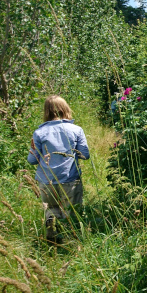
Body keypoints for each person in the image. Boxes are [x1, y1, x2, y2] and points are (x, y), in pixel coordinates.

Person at [27, 95, 90, 243]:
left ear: (46, 111)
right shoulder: (76, 130)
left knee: (51, 208)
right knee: (72, 212)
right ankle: (71, 242)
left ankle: (52, 237)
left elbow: (31, 160)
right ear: (65, 109)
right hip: (70, 178)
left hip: (46, 180)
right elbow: (85, 155)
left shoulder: (39, 133)